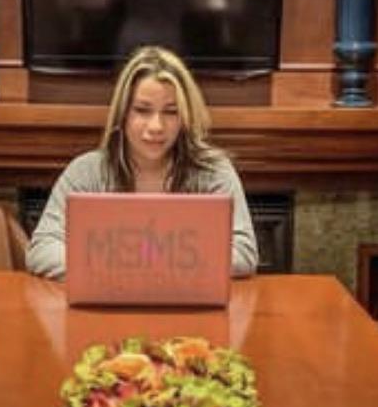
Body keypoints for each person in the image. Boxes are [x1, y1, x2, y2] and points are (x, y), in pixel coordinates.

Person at [25, 46, 259, 279]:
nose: (156, 126)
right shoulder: (85, 172)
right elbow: (43, 247)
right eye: (142, 110)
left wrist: (148, 266)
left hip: (185, 299)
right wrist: (124, 269)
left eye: (171, 112)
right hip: (109, 297)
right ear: (123, 113)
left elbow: (244, 252)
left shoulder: (213, 171)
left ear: (185, 117)